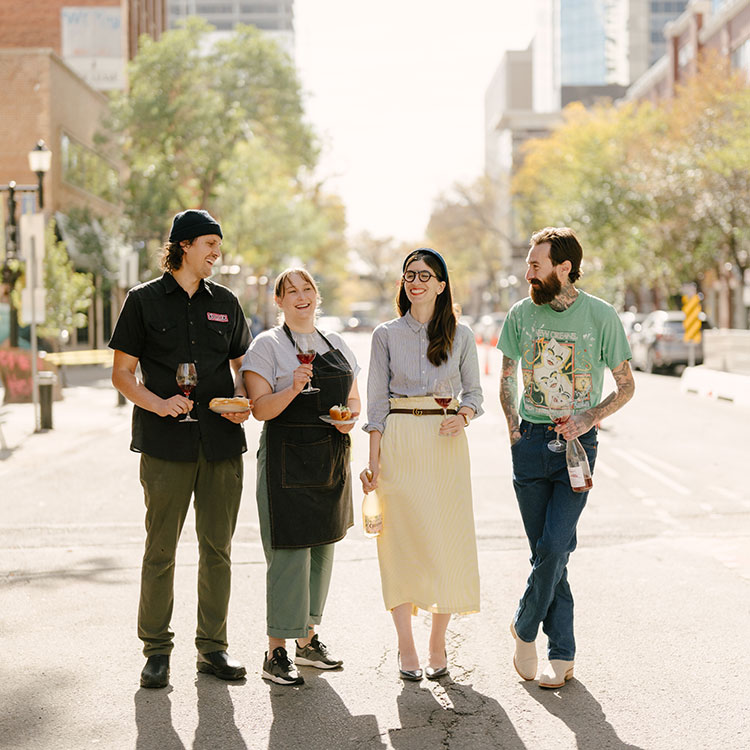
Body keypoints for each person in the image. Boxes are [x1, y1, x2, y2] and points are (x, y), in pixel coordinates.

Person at [110, 209, 252, 689]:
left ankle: (213, 648)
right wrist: (158, 403)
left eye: (219, 243)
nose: (218, 252)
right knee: (161, 549)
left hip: (221, 443)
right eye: (210, 243)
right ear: (184, 246)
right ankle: (156, 650)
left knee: (219, 549)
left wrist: (245, 402)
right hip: (164, 444)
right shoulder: (143, 301)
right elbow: (123, 374)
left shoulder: (227, 303)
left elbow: (243, 368)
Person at [497, 226, 635, 689]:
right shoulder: (520, 314)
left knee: (555, 547)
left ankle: (523, 627)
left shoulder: (601, 316)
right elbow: (506, 378)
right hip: (531, 445)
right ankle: (564, 652)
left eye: (535, 265)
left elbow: (627, 384)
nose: (527, 272)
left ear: (564, 267)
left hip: (578, 449)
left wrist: (591, 416)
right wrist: (515, 430)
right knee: (547, 556)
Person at [360, 247, 483, 681]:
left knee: (447, 542)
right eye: (410, 274)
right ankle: (406, 644)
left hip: (445, 446)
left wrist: (464, 416)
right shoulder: (385, 335)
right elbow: (376, 405)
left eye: (426, 275)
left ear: (441, 284)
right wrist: (372, 465)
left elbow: (474, 395)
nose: (416, 281)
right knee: (398, 542)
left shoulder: (462, 335)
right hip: (399, 444)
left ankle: (437, 641)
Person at [241, 268, 361, 686]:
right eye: (290, 291)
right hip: (285, 461)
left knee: (322, 553)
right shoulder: (266, 346)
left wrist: (348, 420)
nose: (300, 296)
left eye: (307, 288)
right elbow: (259, 410)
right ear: (279, 302)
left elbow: (352, 400)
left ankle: (307, 642)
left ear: (317, 294)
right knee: (289, 555)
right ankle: (275, 650)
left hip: (329, 457)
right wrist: (291, 388)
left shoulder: (337, 343)